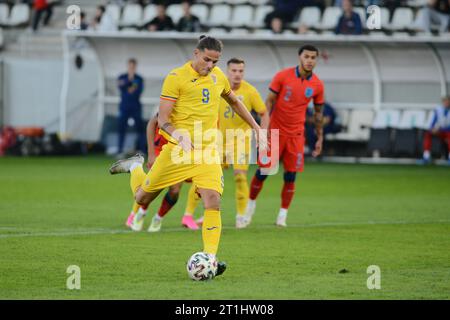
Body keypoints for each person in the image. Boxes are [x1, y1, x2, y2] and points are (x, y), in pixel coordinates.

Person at [109, 36, 265, 278]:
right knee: (141, 198)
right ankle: (135, 167)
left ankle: (210, 258)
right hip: (177, 151)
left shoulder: (218, 77)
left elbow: (234, 102)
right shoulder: (176, 78)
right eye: (207, 59)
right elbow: (162, 119)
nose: (211, 65)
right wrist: (177, 134)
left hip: (208, 152)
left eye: (215, 61)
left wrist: (256, 127)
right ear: (195, 53)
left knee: (213, 200)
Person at [181, 57, 270, 230]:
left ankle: (241, 216)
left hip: (240, 142)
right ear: (227, 71)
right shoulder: (216, 86)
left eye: (241, 71)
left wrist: (262, 133)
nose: (237, 74)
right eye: (234, 71)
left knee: (239, 176)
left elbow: (264, 113)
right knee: (203, 178)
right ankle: (188, 215)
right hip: (217, 141)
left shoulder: (250, 92)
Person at [243, 44, 325, 228]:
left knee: (290, 176)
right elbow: (268, 103)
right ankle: (250, 207)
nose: (310, 60)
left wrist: (320, 137)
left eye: (313, 57)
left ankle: (282, 216)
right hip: (276, 133)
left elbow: (318, 114)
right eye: (307, 57)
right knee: (264, 171)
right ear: (300, 57)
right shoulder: (283, 76)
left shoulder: (317, 85)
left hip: (296, 136)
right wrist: (264, 130)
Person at [125, 113, 183, 232]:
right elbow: (152, 123)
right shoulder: (173, 103)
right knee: (153, 185)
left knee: (175, 190)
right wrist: (151, 153)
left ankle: (158, 218)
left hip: (180, 152)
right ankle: (140, 213)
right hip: (161, 149)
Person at [117, 58, 146, 157]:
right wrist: (128, 81)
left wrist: (129, 85)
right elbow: (120, 86)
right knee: (121, 128)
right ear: (128, 66)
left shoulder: (139, 78)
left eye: (133, 66)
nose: (131, 68)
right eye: (130, 66)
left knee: (140, 129)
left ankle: (142, 150)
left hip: (135, 107)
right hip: (124, 107)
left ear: (135, 67)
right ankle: (120, 150)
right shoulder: (122, 76)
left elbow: (136, 91)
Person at [422, 96, 450, 164]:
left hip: (448, 131)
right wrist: (433, 129)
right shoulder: (438, 110)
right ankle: (426, 156)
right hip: (440, 131)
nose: (446, 103)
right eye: (445, 101)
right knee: (428, 134)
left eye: (448, 101)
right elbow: (433, 122)